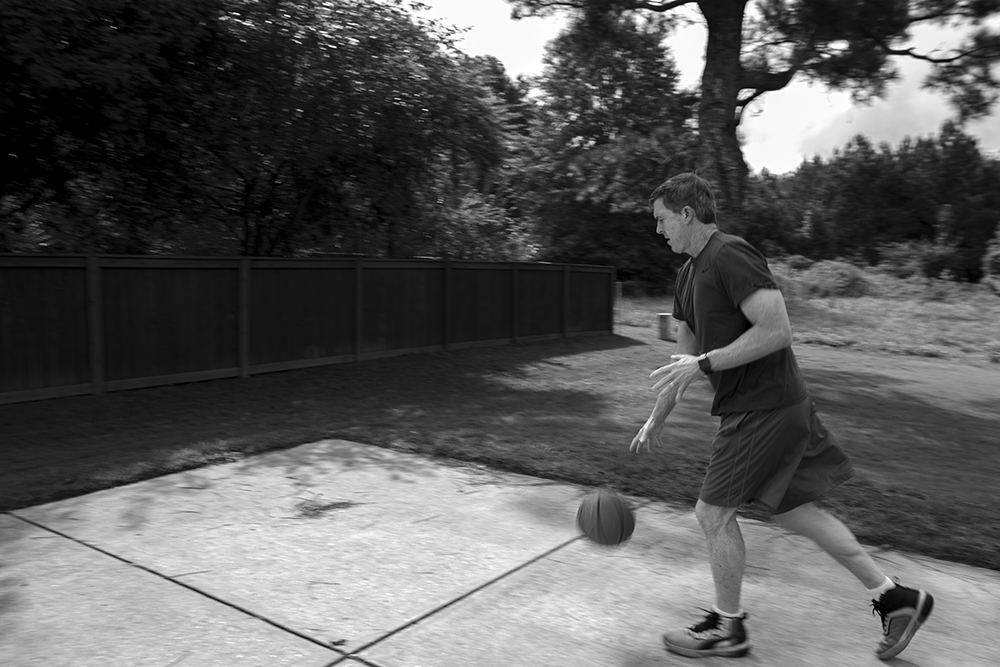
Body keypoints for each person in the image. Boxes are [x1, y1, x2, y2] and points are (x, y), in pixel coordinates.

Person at [629, 172, 934, 660]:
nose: (659, 230)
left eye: (662, 220)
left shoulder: (729, 254)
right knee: (799, 515)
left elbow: (777, 329)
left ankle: (728, 628)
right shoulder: (687, 275)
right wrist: (656, 419)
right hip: (767, 407)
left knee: (712, 513)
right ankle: (896, 597)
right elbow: (681, 365)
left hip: (763, 408)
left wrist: (705, 363)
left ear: (687, 214)